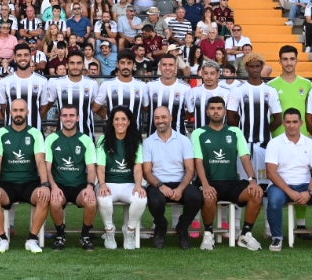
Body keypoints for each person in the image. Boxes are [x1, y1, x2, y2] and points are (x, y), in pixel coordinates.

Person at [191, 96, 263, 251]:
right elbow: (198, 162)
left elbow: (245, 158)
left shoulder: (235, 131)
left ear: (224, 111)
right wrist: (205, 184)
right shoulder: (198, 133)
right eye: (212, 108)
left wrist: (252, 180)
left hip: (231, 183)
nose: (216, 112)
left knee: (256, 193)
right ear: (207, 111)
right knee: (208, 195)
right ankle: (208, 234)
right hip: (209, 181)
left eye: (219, 108)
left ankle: (245, 235)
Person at [264, 107, 312, 253]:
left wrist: (310, 192)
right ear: (283, 123)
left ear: (301, 123)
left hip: (306, 185)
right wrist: (290, 191)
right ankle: (277, 237)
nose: (291, 125)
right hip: (281, 185)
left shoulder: (311, 144)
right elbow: (271, 172)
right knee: (274, 201)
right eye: (288, 122)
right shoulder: (274, 143)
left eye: (295, 122)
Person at [40, 105, 101, 250]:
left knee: (91, 201)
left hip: (80, 186)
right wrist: (53, 187)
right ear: (60, 118)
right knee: (54, 202)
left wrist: (90, 186)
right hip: (59, 185)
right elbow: (47, 167)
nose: (68, 119)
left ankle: (85, 236)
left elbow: (92, 168)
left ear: (78, 118)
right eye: (65, 115)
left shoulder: (86, 140)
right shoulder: (51, 139)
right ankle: (60, 235)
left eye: (72, 115)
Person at [0, 97, 47, 252]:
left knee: (45, 196)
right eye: (15, 110)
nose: (18, 113)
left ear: (27, 112)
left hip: (30, 183)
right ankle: (3, 239)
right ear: (10, 112)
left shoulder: (35, 133)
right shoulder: (1, 133)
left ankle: (31, 239)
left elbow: (40, 161)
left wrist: (45, 184)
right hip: (7, 184)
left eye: (21, 110)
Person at [143, 104, 199, 249]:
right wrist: (161, 186)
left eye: (163, 117)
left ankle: (182, 227)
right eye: (156, 118)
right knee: (155, 201)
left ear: (171, 119)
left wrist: (180, 189)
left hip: (180, 183)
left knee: (196, 197)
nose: (160, 120)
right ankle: (161, 226)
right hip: (158, 183)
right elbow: (147, 172)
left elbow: (190, 169)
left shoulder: (184, 140)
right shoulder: (148, 142)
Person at [96, 107, 150, 250]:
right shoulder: (103, 140)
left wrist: (139, 184)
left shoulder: (136, 140)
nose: (120, 122)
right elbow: (100, 167)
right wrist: (101, 184)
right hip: (109, 183)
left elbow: (138, 167)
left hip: (128, 184)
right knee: (103, 198)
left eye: (123, 119)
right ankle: (109, 231)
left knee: (141, 198)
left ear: (129, 122)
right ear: (112, 122)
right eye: (116, 119)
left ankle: (130, 231)